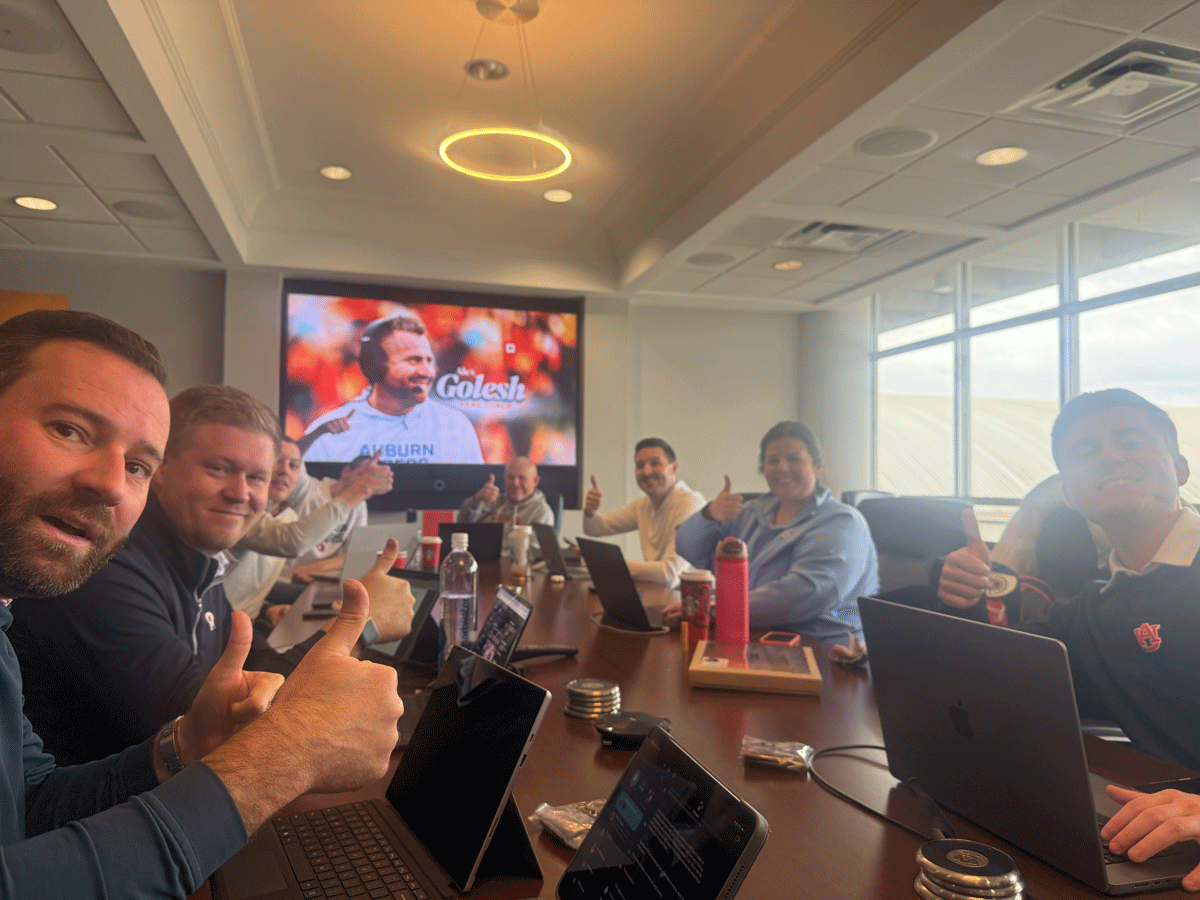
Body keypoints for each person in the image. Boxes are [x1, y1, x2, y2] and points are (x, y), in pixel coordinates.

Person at [0, 308, 403, 897]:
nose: (111, 483)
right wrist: (284, 754)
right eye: (69, 430)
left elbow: (30, 806)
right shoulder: (110, 575)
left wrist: (183, 746)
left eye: (137, 464)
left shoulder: (190, 565)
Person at [10, 383, 415, 765]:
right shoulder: (107, 569)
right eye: (220, 469)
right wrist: (363, 624)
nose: (241, 494)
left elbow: (262, 668)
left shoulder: (199, 561)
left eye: (257, 477)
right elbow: (226, 726)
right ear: (162, 468)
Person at [674, 421, 878, 640]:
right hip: (749, 634)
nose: (782, 467)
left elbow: (805, 594)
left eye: (793, 458)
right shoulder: (751, 512)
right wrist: (709, 514)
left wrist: (714, 608)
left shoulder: (843, 522)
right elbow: (688, 549)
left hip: (823, 650)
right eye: (773, 460)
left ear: (817, 466)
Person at [221, 439, 392, 620]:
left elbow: (252, 588)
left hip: (250, 617)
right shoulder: (240, 511)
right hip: (224, 622)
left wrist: (266, 610)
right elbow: (292, 541)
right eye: (277, 460)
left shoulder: (286, 516)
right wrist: (362, 489)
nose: (284, 470)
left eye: (293, 466)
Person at [300, 313, 484, 463]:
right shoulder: (326, 432)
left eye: (429, 360)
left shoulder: (455, 426)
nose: (426, 372)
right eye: (413, 360)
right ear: (377, 365)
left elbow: (475, 497)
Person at [582, 438, 706, 587]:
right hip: (661, 594)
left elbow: (670, 574)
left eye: (655, 463)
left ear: (674, 468)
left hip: (690, 600)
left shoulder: (690, 503)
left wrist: (608, 562)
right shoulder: (643, 506)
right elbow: (597, 528)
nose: (646, 472)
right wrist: (590, 511)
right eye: (640, 465)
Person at [457, 456, 554, 535]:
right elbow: (461, 528)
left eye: (522, 478)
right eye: (511, 477)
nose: (515, 483)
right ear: (504, 478)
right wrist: (476, 500)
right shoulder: (492, 500)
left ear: (535, 481)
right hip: (478, 556)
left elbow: (534, 551)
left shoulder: (541, 512)